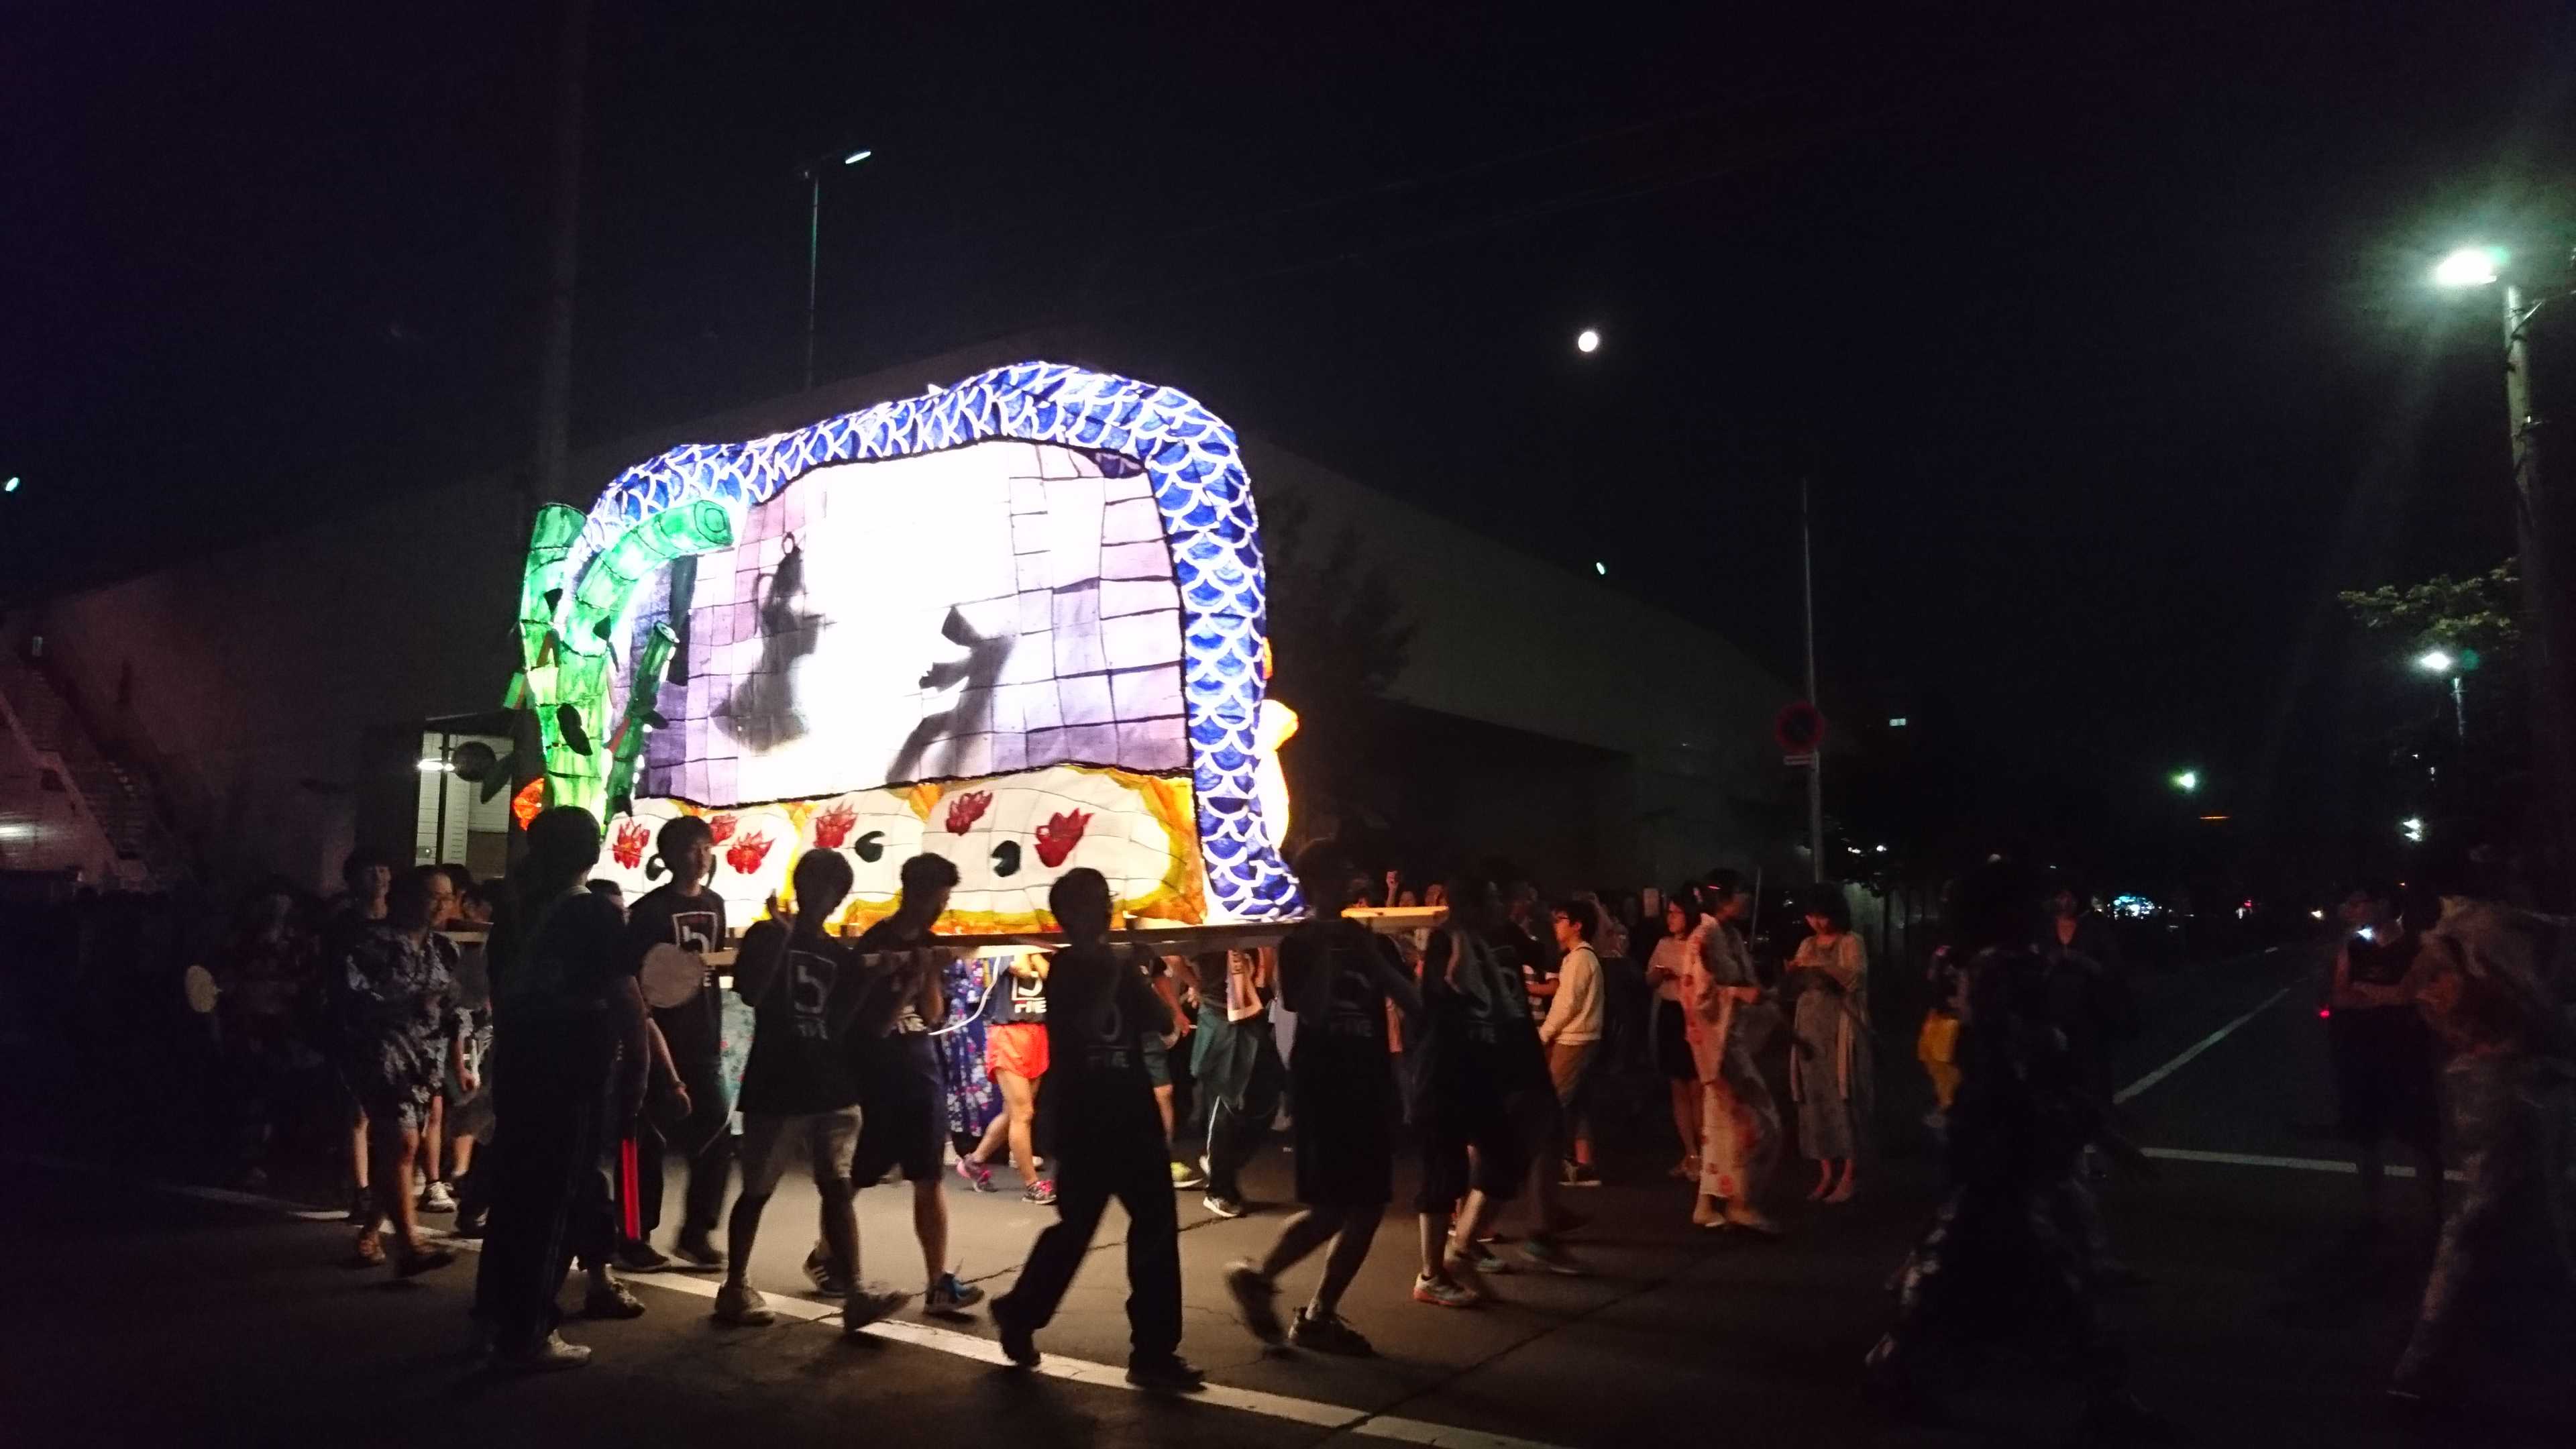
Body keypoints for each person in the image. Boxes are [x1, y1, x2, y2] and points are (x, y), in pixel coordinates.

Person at [1864, 860, 2162, 1439]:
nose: (2045, 911)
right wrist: (2089, 1124)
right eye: (2034, 902)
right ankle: (2104, 1400)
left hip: (1994, 1141)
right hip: (2009, 1146)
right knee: (2053, 1271)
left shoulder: (1987, 965)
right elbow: (2026, 1064)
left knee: (1963, 1261)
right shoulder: (2009, 969)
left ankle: (1897, 1368)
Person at [991, 869, 1204, 1392]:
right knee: (1075, 1229)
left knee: (1155, 1228)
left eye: (1104, 902)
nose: (1105, 912)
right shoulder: (1065, 969)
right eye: (1093, 904)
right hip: (1086, 1118)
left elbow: (1163, 1024)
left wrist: (1133, 973)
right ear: (1070, 915)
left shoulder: (1119, 967)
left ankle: (1154, 1352)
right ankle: (1020, 1311)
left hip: (1131, 1112)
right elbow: (1084, 1024)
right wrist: (1119, 968)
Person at [1224, 844, 1421, 1355]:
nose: (1350, 883)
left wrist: (1372, 960)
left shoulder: (1365, 938)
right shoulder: (1300, 942)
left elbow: (1411, 999)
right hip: (1325, 1086)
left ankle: (1317, 1313)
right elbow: (1308, 1007)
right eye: (1339, 874)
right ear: (1314, 882)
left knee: (1368, 1206)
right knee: (1332, 1207)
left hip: (1367, 1083)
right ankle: (1261, 1278)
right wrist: (1333, 955)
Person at [471, 806, 649, 1372]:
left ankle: (494, 1315)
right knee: (553, 1201)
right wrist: (641, 1064)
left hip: (519, 1064)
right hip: (571, 1071)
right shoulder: (593, 913)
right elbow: (624, 993)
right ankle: (530, 1331)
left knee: (514, 1195)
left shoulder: (518, 913)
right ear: (589, 852)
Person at [2387, 894, 2575, 1407]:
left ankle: (2434, 1351)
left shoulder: (2474, 928)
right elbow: (2521, 1010)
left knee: (2508, 1208)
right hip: (2505, 1079)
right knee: (2487, 1210)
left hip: (2509, 1076)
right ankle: (2429, 1353)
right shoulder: (2484, 926)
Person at [714, 849, 911, 1332]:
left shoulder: (836, 954)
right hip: (777, 1080)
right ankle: (735, 1286)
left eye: (833, 890)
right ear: (800, 886)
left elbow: (837, 1023)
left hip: (827, 1079)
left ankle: (856, 1290)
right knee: (757, 1190)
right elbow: (752, 992)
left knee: (838, 1186)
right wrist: (784, 938)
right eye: (818, 885)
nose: (825, 897)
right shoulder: (767, 934)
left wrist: (870, 979)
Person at [830, 853, 985, 1316]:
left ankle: (938, 1283)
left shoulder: (930, 943)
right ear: (912, 893)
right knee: (856, 1176)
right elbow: (872, 1023)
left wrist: (930, 973)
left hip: (921, 1068)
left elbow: (933, 1014)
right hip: (880, 1074)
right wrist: (909, 978)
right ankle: (827, 1253)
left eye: (944, 902)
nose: (938, 910)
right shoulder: (875, 944)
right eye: (935, 900)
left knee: (928, 1174)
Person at [1409, 874, 1547, 1307]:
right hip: (1444, 1074)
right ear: (1469, 907)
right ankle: (1431, 1275)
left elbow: (1509, 1001)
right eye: (1489, 900)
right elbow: (1436, 997)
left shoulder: (1489, 943)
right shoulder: (1445, 941)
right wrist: (1454, 965)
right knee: (1443, 1173)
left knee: (1506, 1155)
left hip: (1481, 1074)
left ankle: (1463, 1245)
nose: (1498, 907)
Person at [331, 866, 464, 1277]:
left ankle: (371, 1233)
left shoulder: (445, 949)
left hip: (425, 1059)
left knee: (402, 1147)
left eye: (447, 897)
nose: (441, 905)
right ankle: (409, 1244)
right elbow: (350, 997)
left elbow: (455, 1008)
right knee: (403, 1143)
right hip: (383, 1054)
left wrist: (461, 1059)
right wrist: (406, 1003)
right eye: (432, 896)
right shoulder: (371, 944)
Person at [619, 816, 737, 1268]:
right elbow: (636, 981)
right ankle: (632, 1237)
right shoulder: (649, 912)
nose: (701, 857)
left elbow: (709, 970)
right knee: (646, 1143)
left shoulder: (716, 903)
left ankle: (696, 1233)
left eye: (706, 848)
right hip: (655, 1041)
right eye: (691, 848)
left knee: (716, 1138)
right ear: (667, 856)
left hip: (704, 1039)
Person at [2326, 879, 2442, 1232]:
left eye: (2359, 902)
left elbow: (2415, 995)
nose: (2352, 910)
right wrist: (2389, 995)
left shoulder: (2417, 946)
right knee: (2367, 1139)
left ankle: (2433, 1219)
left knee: (2421, 1140)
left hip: (2409, 1056)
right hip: (2363, 1055)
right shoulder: (2353, 947)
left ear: (2384, 905)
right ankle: (2373, 1216)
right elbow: (2339, 997)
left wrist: (2366, 991)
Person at [1686, 872, 1781, 1233]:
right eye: (1742, 892)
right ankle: (1742, 1202)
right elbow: (1698, 996)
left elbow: (1744, 986)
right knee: (1758, 1123)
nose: (1748, 899)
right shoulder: (1704, 938)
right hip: (1718, 1045)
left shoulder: (1728, 936)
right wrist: (1738, 994)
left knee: (1722, 1127)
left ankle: (1711, 1203)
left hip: (1730, 1039)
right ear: (1724, 898)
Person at [325, 849, 393, 1234]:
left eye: (383, 869)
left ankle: (385, 1186)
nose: (380, 877)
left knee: (393, 1113)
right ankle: (361, 1190)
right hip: (355, 1024)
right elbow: (336, 977)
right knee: (358, 1111)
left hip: (394, 1027)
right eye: (371, 871)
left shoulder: (398, 922)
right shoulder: (343, 926)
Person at [1788, 885, 1870, 1203]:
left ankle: (1849, 1172)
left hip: (1839, 1028)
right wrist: (1794, 973)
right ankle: (1825, 1172)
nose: (1817, 923)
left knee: (1843, 1094)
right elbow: (1796, 984)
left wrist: (1823, 969)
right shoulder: (1807, 944)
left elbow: (1855, 978)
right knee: (1813, 1096)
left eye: (1821, 916)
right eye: (1811, 917)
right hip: (1810, 1026)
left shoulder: (1851, 941)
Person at [1195, 945, 1284, 1220]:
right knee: (1226, 1101)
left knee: (1268, 1097)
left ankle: (1223, 1163)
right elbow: (1173, 955)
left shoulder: (1254, 928)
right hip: (1222, 1015)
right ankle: (1219, 1189)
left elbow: (1268, 950)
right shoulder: (1212, 932)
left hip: (1254, 1013)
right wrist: (1196, 986)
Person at [961, 941, 1054, 1203]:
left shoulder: (1039, 952)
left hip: (1036, 1033)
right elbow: (1020, 968)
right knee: (1023, 1114)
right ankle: (1032, 1185)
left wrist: (1037, 952)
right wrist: (1031, 948)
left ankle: (975, 1161)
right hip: (1008, 1033)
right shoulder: (1004, 948)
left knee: (1013, 1112)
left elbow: (1049, 976)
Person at [1540, 899, 1606, 1187]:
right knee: (1577, 1103)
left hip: (1574, 1039)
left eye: (1561, 919)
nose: (1555, 925)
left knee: (1553, 1103)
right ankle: (1584, 1166)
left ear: (1577, 926)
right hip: (1582, 1038)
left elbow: (1566, 1005)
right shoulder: (1578, 958)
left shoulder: (1579, 959)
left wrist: (1544, 1035)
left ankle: (1550, 1167)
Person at [1645, 894, 1705, 1180]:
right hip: (1670, 1014)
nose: (1670, 918)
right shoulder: (1663, 945)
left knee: (1697, 1087)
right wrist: (1659, 975)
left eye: (1676, 913)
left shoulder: (1699, 944)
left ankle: (1705, 1154)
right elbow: (1648, 980)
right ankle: (1690, 1152)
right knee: (1677, 1086)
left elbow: (1705, 984)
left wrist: (1680, 978)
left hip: (1692, 1014)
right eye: (1668, 913)